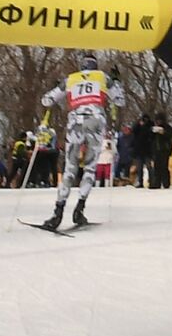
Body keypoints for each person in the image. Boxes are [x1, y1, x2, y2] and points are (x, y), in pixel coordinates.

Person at [38, 52, 125, 229]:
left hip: (75, 123)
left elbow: (47, 100)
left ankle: (58, 213)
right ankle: (79, 209)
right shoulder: (102, 77)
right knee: (90, 167)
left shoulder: (71, 79)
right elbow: (120, 101)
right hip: (96, 122)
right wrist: (116, 81)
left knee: (70, 168)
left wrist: (56, 88)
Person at [150, 113, 172, 189]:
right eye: (157, 120)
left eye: (160, 120)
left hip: (165, 150)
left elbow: (170, 136)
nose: (158, 122)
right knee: (157, 167)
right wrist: (152, 132)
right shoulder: (154, 128)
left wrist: (163, 133)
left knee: (164, 167)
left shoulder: (167, 127)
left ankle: (166, 183)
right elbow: (150, 138)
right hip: (156, 151)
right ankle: (157, 183)